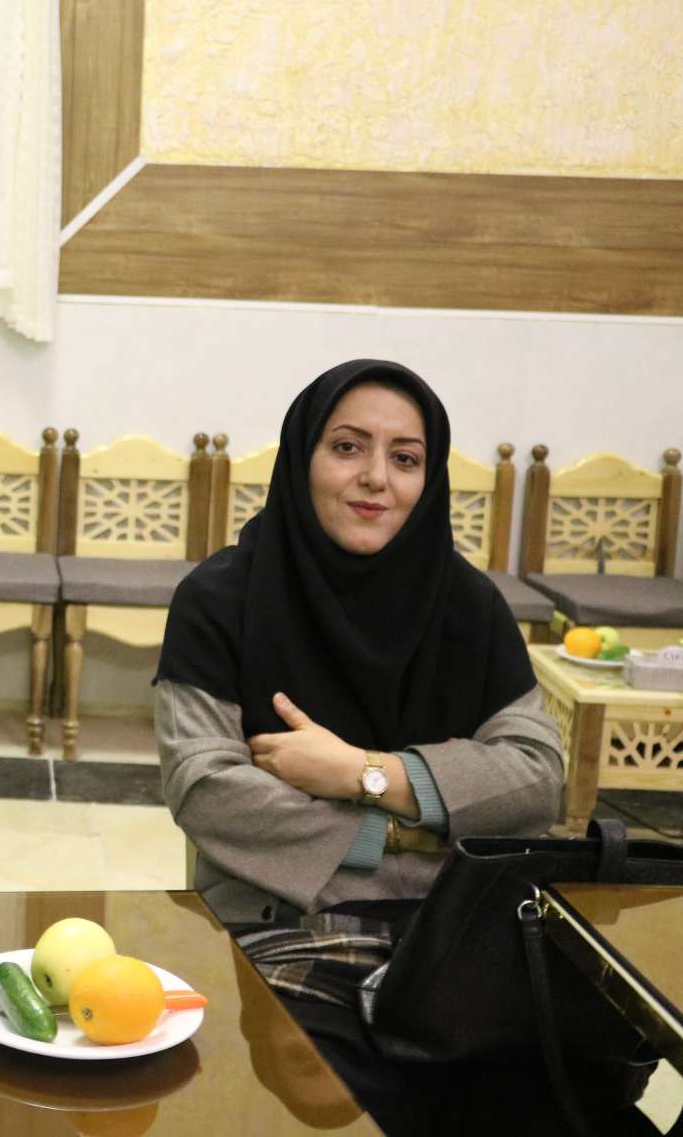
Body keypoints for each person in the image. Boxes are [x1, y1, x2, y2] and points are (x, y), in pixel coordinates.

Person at [154, 359, 659, 1135]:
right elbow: (208, 789)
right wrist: (419, 831)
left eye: (406, 458)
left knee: (574, 1094)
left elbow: (536, 778)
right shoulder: (221, 600)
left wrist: (362, 773)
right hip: (291, 919)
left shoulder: (468, 605)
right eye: (347, 447)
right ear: (302, 457)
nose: (376, 479)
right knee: (345, 1085)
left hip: (459, 927)